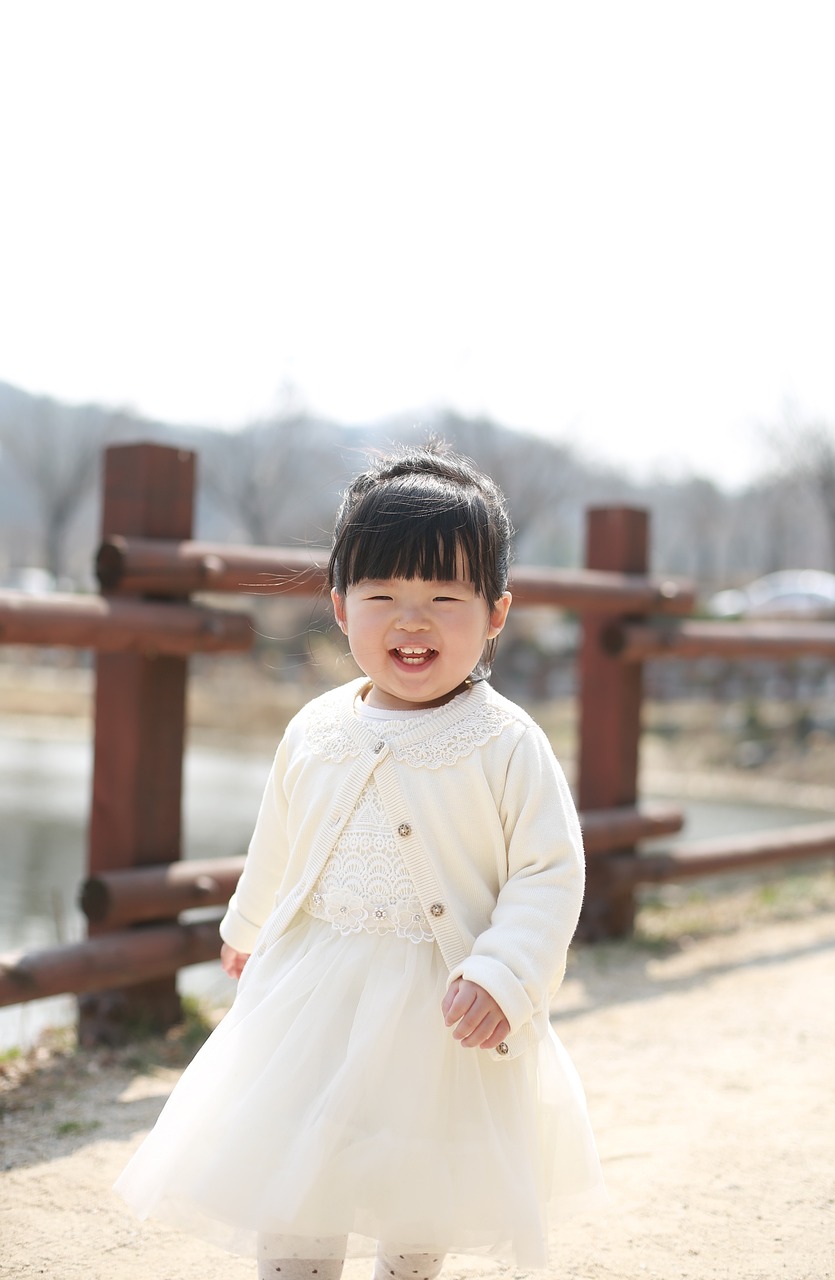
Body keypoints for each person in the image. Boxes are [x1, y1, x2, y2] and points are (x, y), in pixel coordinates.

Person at [115, 442, 605, 1279]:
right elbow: (279, 837)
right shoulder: (316, 727)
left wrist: (504, 974)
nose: (411, 621)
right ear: (340, 607)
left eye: (444, 598)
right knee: (296, 1165)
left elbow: (549, 875)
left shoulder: (506, 743)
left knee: (420, 1178)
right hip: (314, 988)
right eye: (383, 595)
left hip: (441, 1004)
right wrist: (248, 923)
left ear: (495, 613)